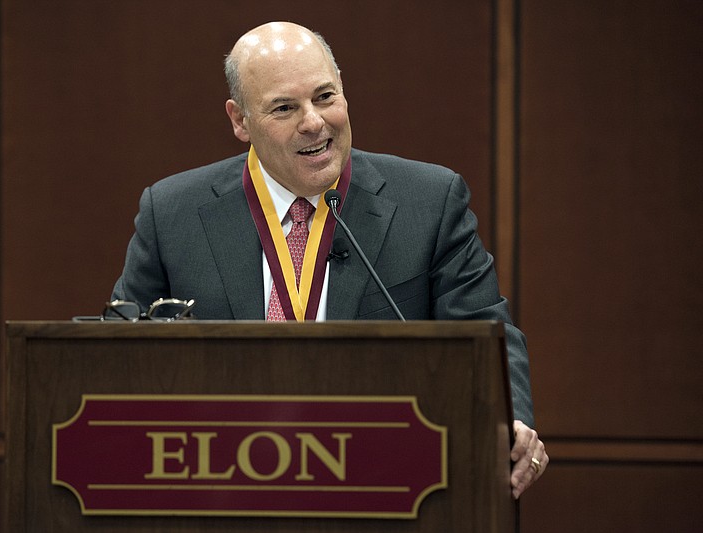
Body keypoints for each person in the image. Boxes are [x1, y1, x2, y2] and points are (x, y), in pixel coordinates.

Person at [111, 21, 547, 498]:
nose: (314, 122)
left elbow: (489, 335)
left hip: (386, 486)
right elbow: (115, 356)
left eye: (324, 97)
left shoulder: (431, 202)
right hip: (223, 490)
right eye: (284, 107)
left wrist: (513, 420)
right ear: (240, 121)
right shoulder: (172, 214)